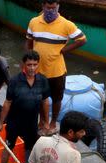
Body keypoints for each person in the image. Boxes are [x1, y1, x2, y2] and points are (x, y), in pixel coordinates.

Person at [26, 0, 86, 134]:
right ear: (43, 6)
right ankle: (43, 120)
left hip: (57, 71)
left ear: (58, 7)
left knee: (57, 98)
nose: (51, 11)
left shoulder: (66, 24)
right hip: (38, 71)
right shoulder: (34, 22)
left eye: (54, 8)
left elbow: (82, 40)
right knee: (40, 97)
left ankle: (53, 122)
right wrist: (27, 62)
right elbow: (29, 42)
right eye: (48, 8)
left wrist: (65, 50)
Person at [0, 51, 50, 163]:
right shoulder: (14, 81)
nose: (32, 68)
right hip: (14, 122)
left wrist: (46, 122)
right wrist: (1, 123)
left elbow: (45, 102)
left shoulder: (42, 81)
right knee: (8, 147)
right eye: (29, 65)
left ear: (38, 65)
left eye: (35, 65)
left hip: (32, 123)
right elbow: (7, 102)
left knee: (31, 149)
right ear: (23, 65)